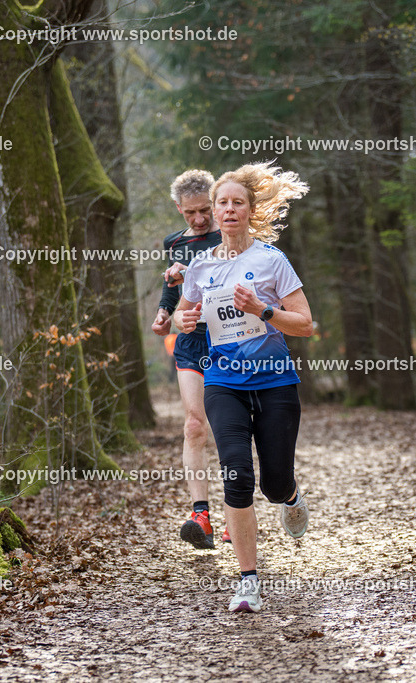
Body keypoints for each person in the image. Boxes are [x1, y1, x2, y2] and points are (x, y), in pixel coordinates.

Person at [171, 161, 312, 612]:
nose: (229, 210)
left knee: (272, 483)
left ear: (251, 211)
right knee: (236, 475)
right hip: (223, 383)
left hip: (274, 383)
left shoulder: (272, 260)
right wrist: (183, 319)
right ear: (212, 212)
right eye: (222, 203)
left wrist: (263, 311)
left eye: (238, 203)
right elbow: (182, 314)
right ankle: (247, 581)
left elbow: (306, 325)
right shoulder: (200, 266)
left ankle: (289, 496)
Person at [151, 170, 226, 549]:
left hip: (229, 342)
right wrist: (164, 314)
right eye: (189, 213)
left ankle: (237, 512)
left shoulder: (229, 234)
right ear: (178, 208)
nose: (198, 220)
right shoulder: (174, 242)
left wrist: (190, 270)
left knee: (232, 429)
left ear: (213, 204)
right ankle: (201, 515)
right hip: (191, 344)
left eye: (204, 211)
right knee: (194, 426)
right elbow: (172, 287)